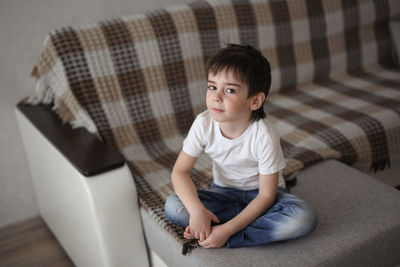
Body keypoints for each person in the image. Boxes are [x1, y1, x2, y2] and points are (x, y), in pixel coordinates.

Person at [164, 44, 317, 249]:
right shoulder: (204, 123)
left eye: (229, 90)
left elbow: (266, 195)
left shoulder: (263, 134)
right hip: (224, 192)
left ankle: (226, 232)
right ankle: (224, 222)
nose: (216, 97)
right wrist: (197, 211)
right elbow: (180, 172)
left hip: (262, 197)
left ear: (254, 101)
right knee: (174, 206)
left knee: (302, 218)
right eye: (212, 87)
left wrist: (227, 231)